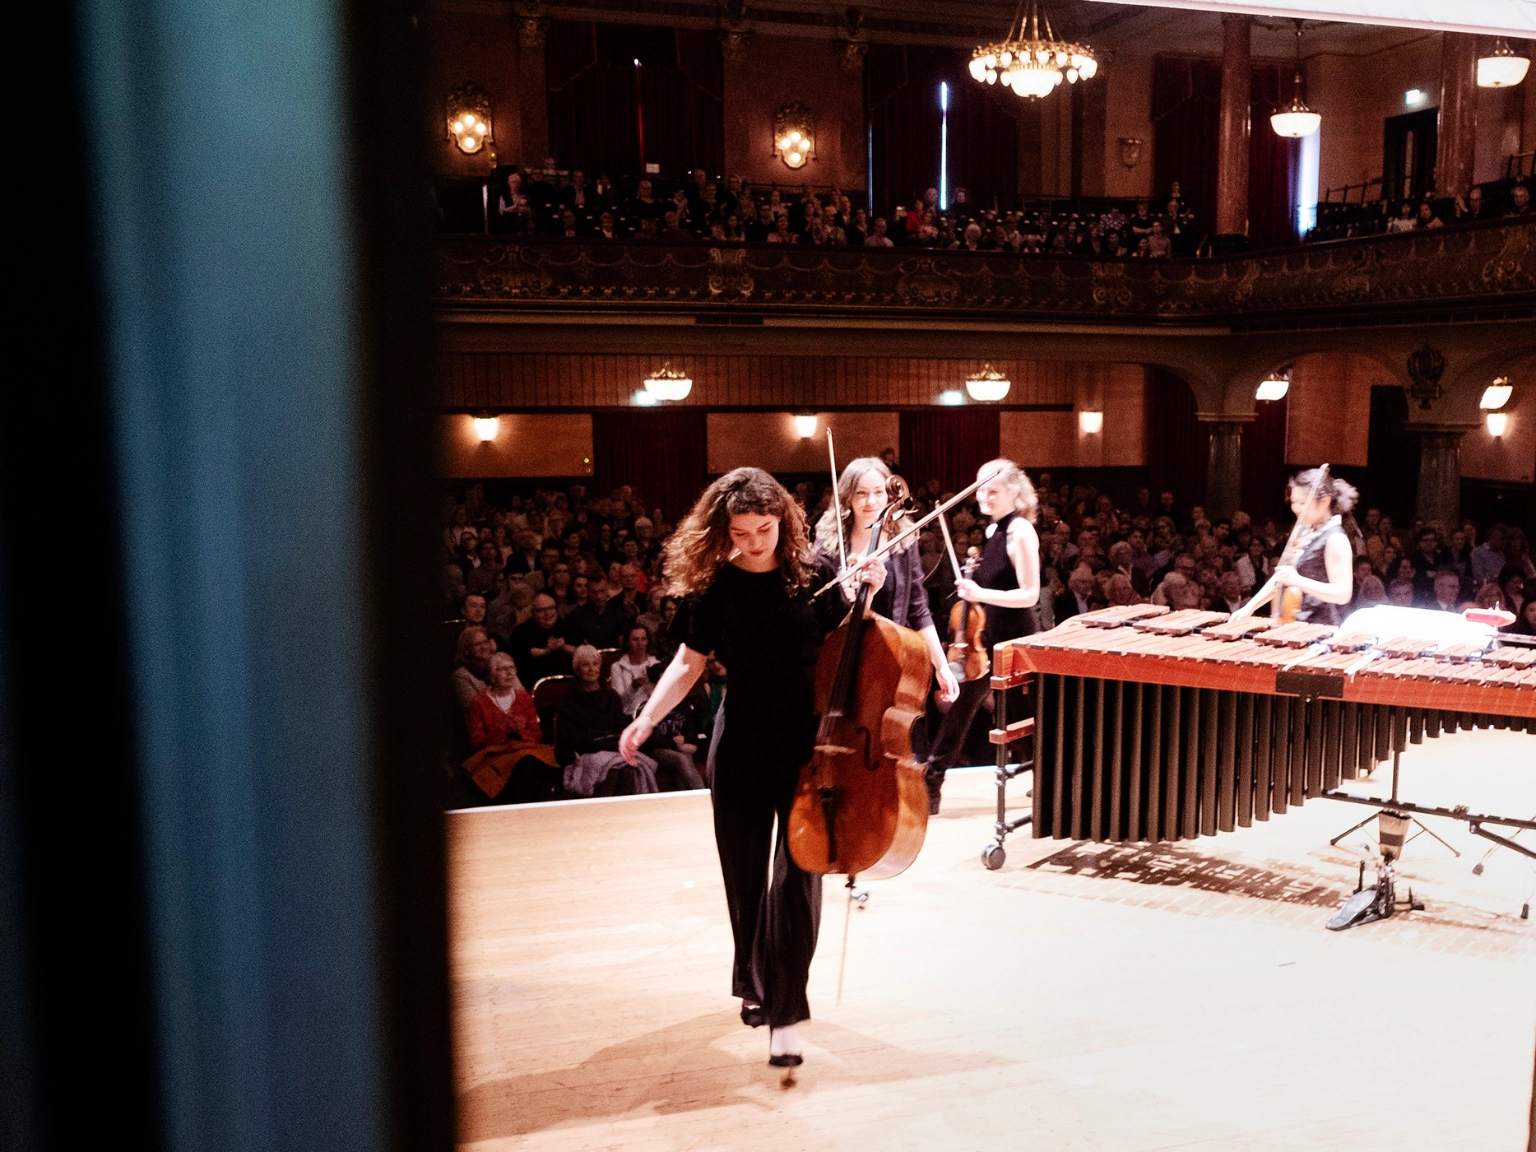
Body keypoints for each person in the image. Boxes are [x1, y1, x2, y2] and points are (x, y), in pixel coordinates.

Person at [618, 467, 849, 1070]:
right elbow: (690, 662)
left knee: (797, 877)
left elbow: (853, 647)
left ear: (784, 522)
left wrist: (865, 594)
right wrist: (646, 718)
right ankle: (756, 983)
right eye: (741, 531)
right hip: (743, 742)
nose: (753, 541)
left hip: (807, 745)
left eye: (764, 529)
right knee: (744, 878)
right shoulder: (714, 587)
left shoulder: (817, 575)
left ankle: (787, 1009)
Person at [921, 460, 1041, 814]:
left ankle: (933, 777)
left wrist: (978, 594)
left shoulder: (1021, 532)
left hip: (1015, 638)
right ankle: (933, 776)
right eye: (979, 489)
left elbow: (1030, 595)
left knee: (1025, 710)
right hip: (988, 637)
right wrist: (972, 591)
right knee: (966, 705)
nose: (983, 497)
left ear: (1014, 492)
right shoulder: (992, 532)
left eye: (992, 490)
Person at [811, 457, 959, 712]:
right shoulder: (829, 546)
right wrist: (853, 595)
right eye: (861, 493)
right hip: (840, 659)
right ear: (847, 496)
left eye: (878, 493)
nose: (871, 501)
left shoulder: (903, 541)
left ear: (890, 496)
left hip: (891, 659)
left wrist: (941, 665)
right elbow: (819, 613)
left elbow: (918, 608)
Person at [462, 653, 561, 803]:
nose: (509, 673)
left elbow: (537, 735)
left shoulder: (523, 697)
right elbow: (476, 741)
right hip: (496, 756)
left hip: (525, 752)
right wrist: (502, 730)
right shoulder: (479, 702)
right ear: (492, 676)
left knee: (528, 763)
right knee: (524, 768)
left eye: (512, 668)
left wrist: (520, 730)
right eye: (503, 669)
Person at [1269, 470, 1357, 626]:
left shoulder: (1336, 538)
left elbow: (1343, 593)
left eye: (1302, 503)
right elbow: (1282, 577)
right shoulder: (1303, 530)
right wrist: (1248, 608)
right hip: (1297, 622)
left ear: (1324, 502)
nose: (1295, 508)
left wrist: (1297, 580)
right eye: (1293, 502)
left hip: (1322, 628)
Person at [509, 593, 573, 683]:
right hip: (534, 683)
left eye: (551, 608)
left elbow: (580, 651)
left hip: (568, 682)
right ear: (533, 613)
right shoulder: (521, 631)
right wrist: (546, 651)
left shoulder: (566, 626)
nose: (547, 613)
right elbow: (519, 656)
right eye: (541, 610)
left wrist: (563, 647)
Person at [610, 624, 659, 716]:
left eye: (643, 639)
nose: (640, 643)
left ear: (647, 641)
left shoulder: (655, 664)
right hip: (630, 715)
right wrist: (633, 687)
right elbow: (619, 702)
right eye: (635, 639)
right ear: (628, 643)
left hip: (653, 713)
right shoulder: (618, 667)